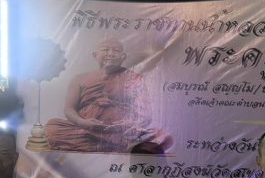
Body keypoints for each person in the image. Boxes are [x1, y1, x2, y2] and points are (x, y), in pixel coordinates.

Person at [45, 38, 173, 154]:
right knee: (52, 127)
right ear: (95, 55)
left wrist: (127, 124)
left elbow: (145, 113)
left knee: (162, 136)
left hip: (120, 131)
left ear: (123, 57)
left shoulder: (134, 78)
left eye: (116, 51)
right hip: (87, 129)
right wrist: (82, 122)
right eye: (105, 50)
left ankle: (110, 143)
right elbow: (69, 108)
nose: (110, 54)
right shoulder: (79, 79)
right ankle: (115, 145)